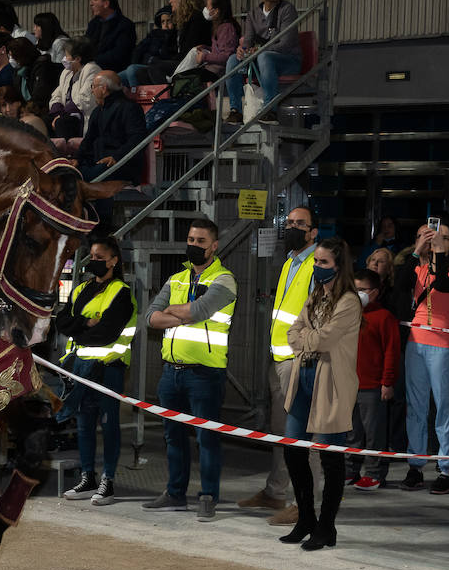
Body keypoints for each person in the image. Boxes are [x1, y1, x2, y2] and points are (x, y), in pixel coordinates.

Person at [142, 218, 237, 522]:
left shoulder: (225, 279)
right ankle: (175, 493)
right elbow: (149, 318)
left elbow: (200, 310)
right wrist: (180, 314)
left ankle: (208, 497)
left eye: (201, 241)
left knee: (206, 439)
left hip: (205, 374)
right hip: (171, 372)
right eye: (191, 240)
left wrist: (172, 311)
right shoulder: (176, 279)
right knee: (173, 436)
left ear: (214, 245)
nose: (194, 245)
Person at [279, 237, 361, 550]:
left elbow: (322, 340)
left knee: (331, 457)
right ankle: (306, 519)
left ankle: (327, 526)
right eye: (316, 261)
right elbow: (292, 331)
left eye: (323, 263)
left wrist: (304, 339)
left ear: (338, 266)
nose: (317, 267)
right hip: (305, 377)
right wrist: (305, 339)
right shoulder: (316, 295)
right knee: (293, 450)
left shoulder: (349, 301)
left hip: (332, 383)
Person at [238, 206, 318, 524]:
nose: (293, 227)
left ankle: (305, 504)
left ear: (314, 232)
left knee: (302, 437)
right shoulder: (289, 263)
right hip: (280, 360)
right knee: (281, 433)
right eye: (291, 222)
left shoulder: (317, 264)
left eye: (301, 224)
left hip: (299, 362)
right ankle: (276, 492)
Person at [55, 237, 136, 508]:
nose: (94, 261)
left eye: (100, 257)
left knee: (108, 422)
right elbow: (61, 321)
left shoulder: (122, 293)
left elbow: (107, 333)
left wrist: (80, 329)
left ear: (114, 261)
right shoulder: (80, 290)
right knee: (83, 422)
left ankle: (108, 481)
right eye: (92, 256)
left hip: (108, 368)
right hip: (80, 368)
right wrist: (85, 323)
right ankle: (87, 476)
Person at [392, 217, 449, 494]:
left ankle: (447, 470)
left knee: (445, 409)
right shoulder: (418, 268)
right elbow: (399, 284)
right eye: (434, 236)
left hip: (443, 344)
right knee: (416, 406)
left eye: (444, 238)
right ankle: (415, 465)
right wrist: (416, 250)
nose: (438, 241)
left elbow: (444, 286)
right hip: (415, 341)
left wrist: (436, 253)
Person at [223, 0, 300, 126]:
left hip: (288, 60)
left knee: (264, 57)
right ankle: (235, 111)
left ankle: (270, 109)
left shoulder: (287, 9)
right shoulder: (253, 14)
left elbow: (285, 43)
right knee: (233, 59)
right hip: (263, 60)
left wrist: (259, 51)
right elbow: (248, 41)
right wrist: (242, 50)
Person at [348, 268, 400, 492]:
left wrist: (387, 383)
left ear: (375, 292)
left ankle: (374, 474)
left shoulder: (384, 318)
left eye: (362, 290)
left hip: (373, 387)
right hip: (349, 385)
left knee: (374, 434)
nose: (357, 294)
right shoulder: (348, 315)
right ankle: (350, 469)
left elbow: (392, 352)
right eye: (354, 289)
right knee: (352, 432)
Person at [49, 36, 100, 138]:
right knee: (45, 121)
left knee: (62, 123)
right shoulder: (66, 72)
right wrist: (57, 112)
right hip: (65, 114)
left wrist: (62, 114)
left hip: (81, 116)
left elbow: (85, 99)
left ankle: (66, 153)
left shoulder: (92, 70)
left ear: (77, 59)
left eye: (66, 55)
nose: (64, 58)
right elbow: (57, 94)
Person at [118, 7, 177, 88]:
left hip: (156, 67)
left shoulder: (175, 37)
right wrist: (138, 61)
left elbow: (169, 56)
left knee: (132, 70)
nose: (165, 25)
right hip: (143, 64)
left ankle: (136, 97)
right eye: (163, 22)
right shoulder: (154, 35)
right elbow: (138, 50)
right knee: (114, 78)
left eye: (168, 21)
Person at [84, 0, 137, 71]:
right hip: (92, 68)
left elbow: (119, 54)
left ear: (106, 3)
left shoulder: (125, 25)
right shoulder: (93, 24)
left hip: (114, 72)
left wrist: (93, 62)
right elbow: (85, 46)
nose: (91, 3)